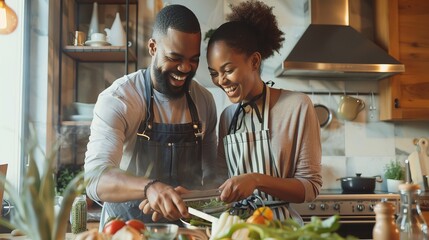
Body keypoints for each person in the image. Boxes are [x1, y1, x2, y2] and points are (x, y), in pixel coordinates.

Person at [84, 4, 226, 226]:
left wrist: (195, 197)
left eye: (193, 59)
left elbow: (212, 178)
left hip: (184, 229)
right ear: (152, 47)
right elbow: (95, 179)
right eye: (175, 57)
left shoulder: (204, 101)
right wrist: (149, 188)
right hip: (124, 228)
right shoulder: (120, 99)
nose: (186, 68)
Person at [206, 0, 322, 222]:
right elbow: (220, 187)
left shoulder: (297, 106)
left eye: (228, 70)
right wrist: (189, 196)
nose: (221, 80)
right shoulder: (227, 117)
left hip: (281, 230)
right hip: (236, 230)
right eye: (214, 73)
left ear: (254, 61)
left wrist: (257, 180)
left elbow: (310, 187)